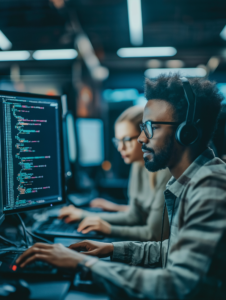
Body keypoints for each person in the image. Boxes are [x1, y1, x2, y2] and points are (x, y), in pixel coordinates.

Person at [17, 74, 226, 299]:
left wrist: (84, 263)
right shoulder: (188, 181)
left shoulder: (210, 188)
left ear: (187, 133)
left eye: (150, 127)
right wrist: (113, 249)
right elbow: (173, 251)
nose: (141, 139)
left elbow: (178, 285)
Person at [59, 106, 171, 241]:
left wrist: (108, 229)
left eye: (126, 140)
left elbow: (155, 234)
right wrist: (84, 215)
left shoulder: (166, 172)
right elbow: (133, 216)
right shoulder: (137, 163)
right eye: (118, 141)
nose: (120, 148)